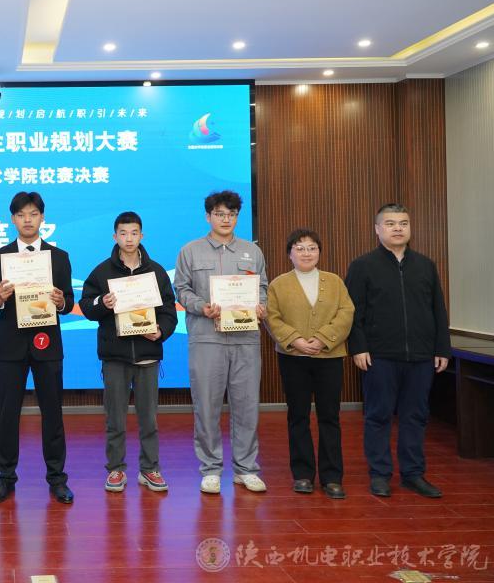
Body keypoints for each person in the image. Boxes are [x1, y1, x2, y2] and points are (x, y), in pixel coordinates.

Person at [345, 204, 451, 499]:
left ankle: (413, 474)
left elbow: (438, 310)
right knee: (378, 416)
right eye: (390, 223)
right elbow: (353, 312)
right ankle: (380, 474)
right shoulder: (363, 265)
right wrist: (358, 347)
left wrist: (442, 348)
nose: (398, 228)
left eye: (403, 223)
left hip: (421, 356)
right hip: (379, 356)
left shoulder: (425, 265)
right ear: (377, 229)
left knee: (416, 416)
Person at [0, 191, 76, 504]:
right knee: (8, 414)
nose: (27, 220)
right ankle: (5, 478)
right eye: (21, 215)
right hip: (10, 347)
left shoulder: (58, 257)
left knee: (53, 412)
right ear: (13, 219)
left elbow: (69, 301)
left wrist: (61, 302)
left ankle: (57, 478)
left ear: (42, 218)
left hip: (47, 344)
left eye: (33, 214)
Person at [174, 190, 268, 494]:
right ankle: (211, 468)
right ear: (208, 217)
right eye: (219, 214)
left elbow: (262, 288)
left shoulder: (252, 252)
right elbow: (181, 290)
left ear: (237, 217)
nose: (225, 219)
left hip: (245, 339)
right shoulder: (190, 251)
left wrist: (261, 306)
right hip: (207, 339)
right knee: (206, 406)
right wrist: (202, 306)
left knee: (247, 407)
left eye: (231, 214)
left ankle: (246, 469)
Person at [79, 211, 178, 494]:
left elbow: (169, 311)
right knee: (115, 418)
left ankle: (150, 469)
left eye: (134, 233)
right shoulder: (101, 272)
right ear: (115, 236)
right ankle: (115, 469)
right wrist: (103, 303)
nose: (129, 238)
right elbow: (86, 306)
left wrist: (160, 330)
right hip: (115, 357)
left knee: (149, 419)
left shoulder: (156, 271)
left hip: (148, 355)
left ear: (141, 235)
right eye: (123, 233)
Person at [266, 228, 354, 499]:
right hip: (293, 358)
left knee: (330, 416)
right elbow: (272, 317)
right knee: (298, 416)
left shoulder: (335, 281)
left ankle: (332, 476)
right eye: (300, 248)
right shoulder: (278, 284)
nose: (306, 253)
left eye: (312, 248)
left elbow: (346, 312)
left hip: (330, 357)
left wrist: (323, 339)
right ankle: (303, 474)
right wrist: (295, 340)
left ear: (319, 252)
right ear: (290, 254)